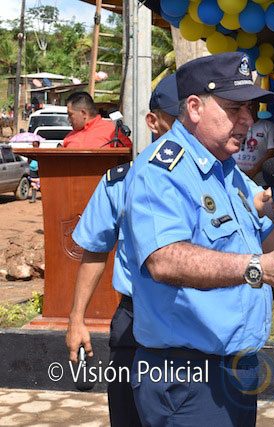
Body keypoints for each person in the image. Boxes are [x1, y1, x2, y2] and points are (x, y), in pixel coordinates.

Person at [120, 52, 274, 426]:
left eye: (248, 109)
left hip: (234, 368)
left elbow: (268, 239)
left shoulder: (226, 170)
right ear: (194, 108)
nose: (248, 120)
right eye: (235, 108)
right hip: (186, 374)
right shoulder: (161, 170)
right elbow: (164, 259)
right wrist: (257, 269)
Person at [65, 74, 181, 427]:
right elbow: (95, 250)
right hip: (135, 317)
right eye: (177, 119)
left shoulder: (216, 181)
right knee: (129, 416)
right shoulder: (121, 181)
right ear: (154, 122)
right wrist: (77, 319)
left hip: (192, 315)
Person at [63, 91, 132, 148]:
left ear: (83, 113)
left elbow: (130, 155)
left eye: (70, 114)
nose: (68, 119)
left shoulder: (112, 131)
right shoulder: (69, 137)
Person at [232, 104, 274, 186]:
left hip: (259, 179)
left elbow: (272, 152)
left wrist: (254, 171)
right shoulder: (235, 124)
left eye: (251, 106)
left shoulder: (268, 126)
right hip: (235, 176)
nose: (249, 110)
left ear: (257, 107)